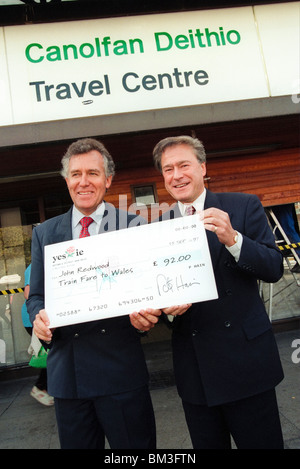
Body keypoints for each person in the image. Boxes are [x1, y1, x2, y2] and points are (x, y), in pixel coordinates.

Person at [27, 138, 160, 449]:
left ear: (108, 179)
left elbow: (148, 289)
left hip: (121, 374)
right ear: (66, 180)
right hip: (68, 379)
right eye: (75, 174)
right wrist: (38, 317)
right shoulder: (45, 232)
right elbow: (36, 296)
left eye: (93, 173)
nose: (83, 182)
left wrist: (149, 313)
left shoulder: (133, 225)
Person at [152, 135, 284, 449]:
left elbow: (274, 268)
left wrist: (234, 240)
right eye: (168, 169)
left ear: (202, 167)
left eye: (184, 165)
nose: (177, 175)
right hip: (195, 371)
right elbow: (158, 292)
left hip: (247, 363)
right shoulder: (159, 226)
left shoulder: (243, 205)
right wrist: (167, 311)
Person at [22, 264, 53, 406]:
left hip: (39, 318)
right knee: (51, 353)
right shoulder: (33, 266)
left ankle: (45, 387)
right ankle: (40, 387)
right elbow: (28, 293)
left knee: (51, 353)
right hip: (34, 319)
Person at [271, 203, 300, 273]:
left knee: (287, 228)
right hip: (274, 201)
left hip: (281, 199)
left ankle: (299, 257)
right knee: (278, 227)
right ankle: (286, 248)